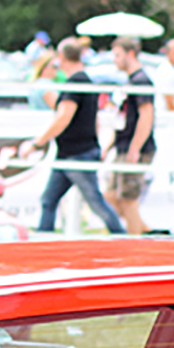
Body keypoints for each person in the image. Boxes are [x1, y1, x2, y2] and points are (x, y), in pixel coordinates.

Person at [21, 38, 124, 235]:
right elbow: (93, 119)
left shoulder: (75, 83)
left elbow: (63, 118)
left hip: (76, 153)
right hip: (72, 152)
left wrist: (36, 144)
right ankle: (44, 241)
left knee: (95, 203)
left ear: (61, 57)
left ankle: (123, 238)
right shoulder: (86, 81)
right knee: (49, 200)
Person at [105, 36, 156, 235]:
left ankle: (137, 239)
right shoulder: (131, 81)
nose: (114, 60)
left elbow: (147, 114)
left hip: (135, 148)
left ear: (130, 54)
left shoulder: (141, 81)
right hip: (124, 145)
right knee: (110, 196)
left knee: (128, 199)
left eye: (118, 55)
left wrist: (136, 147)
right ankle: (145, 230)